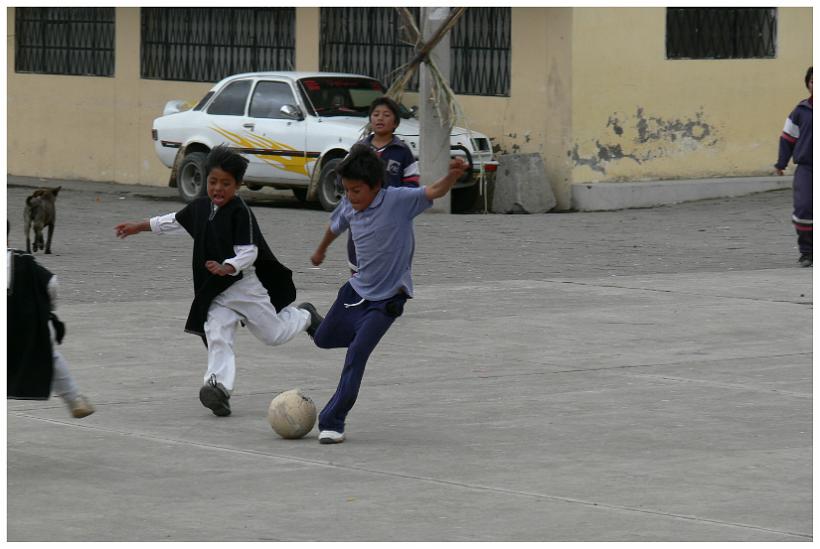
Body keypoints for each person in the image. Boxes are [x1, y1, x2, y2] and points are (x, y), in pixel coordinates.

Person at [114, 145, 322, 417]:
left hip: (244, 288)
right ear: (206, 180)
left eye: (226, 183)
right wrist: (139, 226)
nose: (218, 188)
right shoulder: (200, 207)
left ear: (238, 185)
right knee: (217, 334)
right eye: (213, 181)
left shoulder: (240, 212)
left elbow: (249, 252)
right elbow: (174, 221)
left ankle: (305, 316)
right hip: (214, 292)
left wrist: (228, 266)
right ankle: (218, 388)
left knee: (273, 335)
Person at [309, 144, 468, 444]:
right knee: (322, 339)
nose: (351, 197)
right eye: (347, 190)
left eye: (357, 191)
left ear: (375, 186)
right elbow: (334, 226)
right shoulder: (349, 205)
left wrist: (452, 176)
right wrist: (320, 251)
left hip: (388, 300)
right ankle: (310, 318)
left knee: (357, 352)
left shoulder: (399, 201)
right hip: (356, 290)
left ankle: (333, 421)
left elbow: (434, 191)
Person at [8, 239, 95, 418]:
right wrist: (49, 308)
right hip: (28, 325)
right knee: (49, 355)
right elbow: (52, 283)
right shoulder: (22, 259)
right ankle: (74, 400)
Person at [344, 96, 420, 274]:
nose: (380, 118)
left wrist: (395, 200)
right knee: (359, 264)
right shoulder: (359, 149)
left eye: (386, 115)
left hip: (392, 220)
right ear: (370, 119)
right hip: (362, 217)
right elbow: (343, 176)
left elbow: (412, 183)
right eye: (376, 114)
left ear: (395, 123)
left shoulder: (402, 151)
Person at [775, 66, 813, 267]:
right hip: (807, 168)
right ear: (808, 84)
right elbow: (787, 138)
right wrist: (781, 163)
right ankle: (807, 252)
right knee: (804, 208)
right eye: (813, 82)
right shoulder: (800, 111)